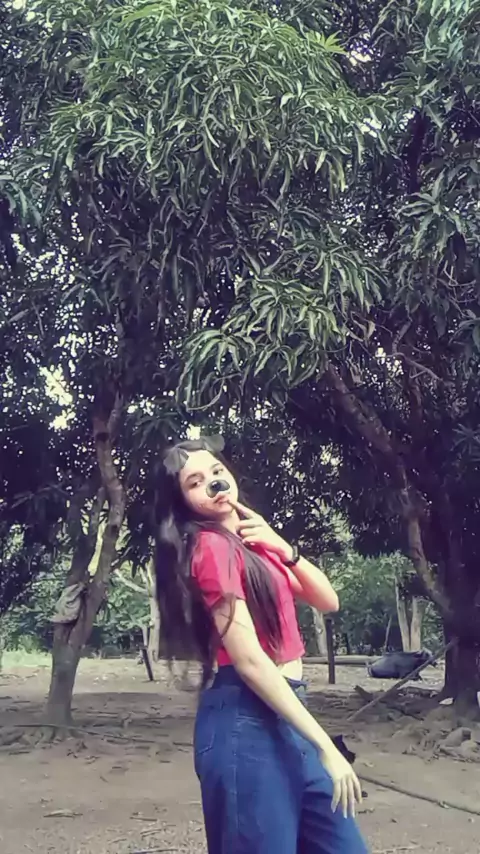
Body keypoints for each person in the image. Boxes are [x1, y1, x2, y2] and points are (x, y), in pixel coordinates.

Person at [154, 435, 368, 854]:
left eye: (217, 472)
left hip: (289, 712)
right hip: (244, 721)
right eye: (195, 482)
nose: (213, 484)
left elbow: (328, 600)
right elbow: (250, 661)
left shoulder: (254, 547)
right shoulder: (210, 548)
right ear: (182, 502)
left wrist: (282, 546)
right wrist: (326, 745)